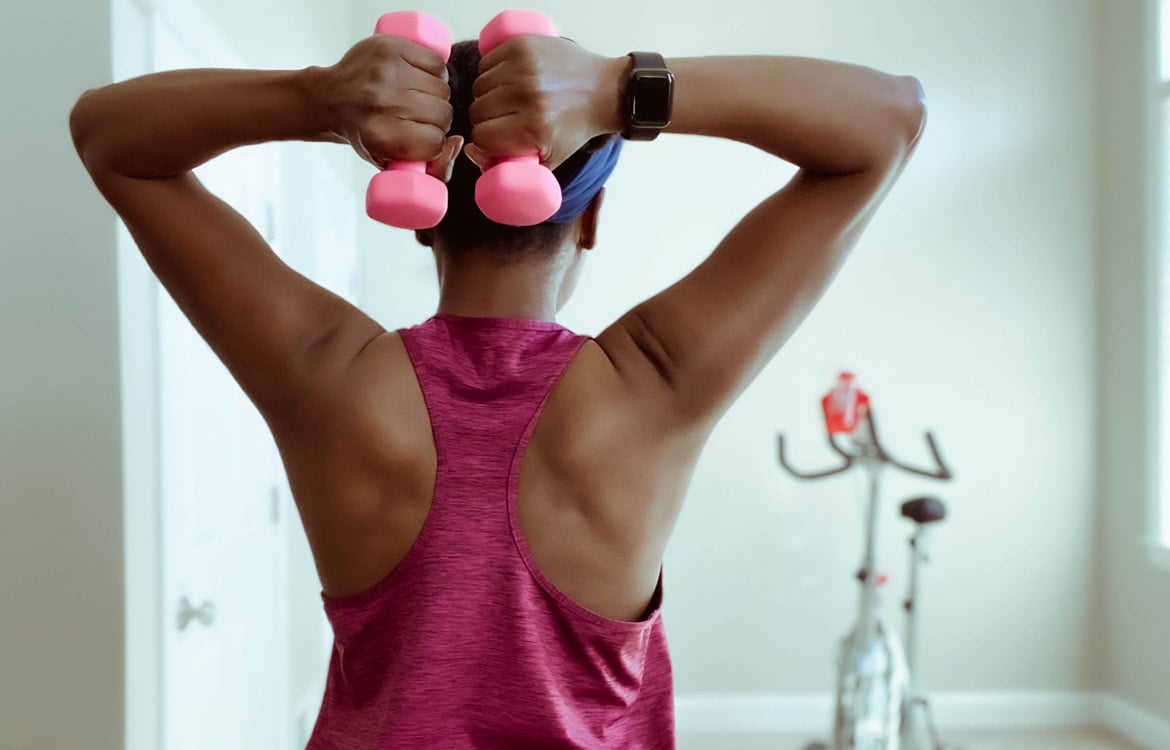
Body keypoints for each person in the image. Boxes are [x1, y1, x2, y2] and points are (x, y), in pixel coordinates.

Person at [70, 27, 925, 750]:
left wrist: (321, 100)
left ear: (424, 212)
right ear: (588, 219)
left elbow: (111, 138)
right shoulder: (654, 383)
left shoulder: (326, 373)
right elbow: (889, 121)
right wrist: (618, 87)